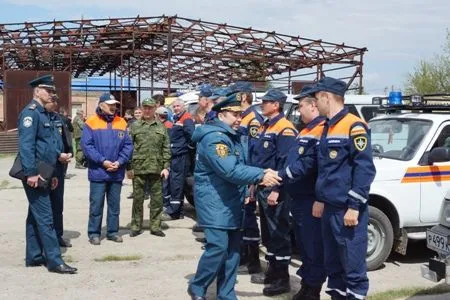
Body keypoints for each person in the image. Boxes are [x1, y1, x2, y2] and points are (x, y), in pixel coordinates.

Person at [187, 93, 282, 300]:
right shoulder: (215, 139)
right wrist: (261, 175)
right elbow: (229, 170)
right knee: (218, 248)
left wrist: (249, 188)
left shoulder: (233, 136)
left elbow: (241, 166)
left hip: (231, 201)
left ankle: (226, 294)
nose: (239, 118)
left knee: (232, 252)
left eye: (240, 114)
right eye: (234, 114)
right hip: (215, 201)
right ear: (222, 115)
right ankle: (197, 286)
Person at [310, 77, 376, 300]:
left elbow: (364, 169)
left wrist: (355, 206)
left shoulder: (354, 125)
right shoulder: (327, 127)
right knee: (334, 267)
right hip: (329, 208)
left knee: (353, 270)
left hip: (347, 211)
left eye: (317, 99)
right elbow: (327, 169)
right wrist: (320, 198)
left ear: (327, 97)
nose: (315, 104)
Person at [18, 74, 77, 274]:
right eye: (48, 90)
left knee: (34, 216)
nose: (52, 94)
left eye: (53, 90)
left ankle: (34, 256)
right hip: (36, 172)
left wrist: (52, 173)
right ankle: (54, 260)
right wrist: (31, 173)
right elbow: (26, 147)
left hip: (47, 171)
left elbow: (49, 146)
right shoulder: (31, 114)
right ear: (37, 91)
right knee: (45, 216)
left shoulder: (44, 114)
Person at [277, 85, 326, 300]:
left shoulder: (322, 129)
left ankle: (312, 290)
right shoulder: (305, 129)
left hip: (310, 199)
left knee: (313, 247)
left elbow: (309, 165)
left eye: (301, 106)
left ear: (313, 105)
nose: (299, 110)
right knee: (304, 246)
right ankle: (307, 285)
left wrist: (279, 175)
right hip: (298, 198)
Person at [249, 89, 297, 296]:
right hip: (262, 186)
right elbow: (260, 159)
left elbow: (285, 163)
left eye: (266, 102)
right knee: (268, 234)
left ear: (276, 105)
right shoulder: (266, 125)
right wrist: (253, 183)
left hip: (275, 189)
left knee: (279, 233)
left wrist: (277, 189)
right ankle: (272, 272)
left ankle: (282, 279)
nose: (262, 104)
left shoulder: (285, 128)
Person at [81, 93, 133, 245]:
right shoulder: (91, 122)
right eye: (110, 104)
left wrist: (120, 161)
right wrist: (102, 161)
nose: (113, 107)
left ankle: (112, 232)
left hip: (116, 172)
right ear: (101, 105)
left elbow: (128, 145)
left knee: (114, 205)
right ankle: (94, 233)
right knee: (96, 205)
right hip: (98, 172)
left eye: (115, 104)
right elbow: (87, 146)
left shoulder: (122, 122)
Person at [127, 98, 171, 237]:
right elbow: (128, 147)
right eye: (145, 107)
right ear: (142, 108)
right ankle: (136, 226)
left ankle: (155, 226)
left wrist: (166, 167)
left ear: (154, 109)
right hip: (138, 168)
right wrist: (128, 167)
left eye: (150, 108)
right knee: (138, 200)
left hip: (157, 168)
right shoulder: (134, 126)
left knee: (157, 200)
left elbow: (166, 148)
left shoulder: (161, 126)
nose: (147, 110)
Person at [233, 81, 265, 274]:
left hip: (249, 176)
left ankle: (253, 261)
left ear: (244, 96)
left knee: (249, 218)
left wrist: (251, 182)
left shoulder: (253, 119)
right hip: (242, 174)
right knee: (244, 217)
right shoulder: (244, 117)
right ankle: (244, 256)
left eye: (236, 95)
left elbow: (254, 152)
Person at [162, 98, 195, 220]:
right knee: (175, 182)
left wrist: (186, 149)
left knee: (177, 183)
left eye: (178, 106)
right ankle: (176, 209)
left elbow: (192, 136)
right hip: (176, 155)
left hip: (181, 156)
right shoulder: (177, 118)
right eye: (174, 106)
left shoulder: (186, 118)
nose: (176, 108)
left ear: (183, 106)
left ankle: (174, 212)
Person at [48, 98, 74, 248]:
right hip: (44, 167)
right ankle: (45, 237)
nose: (54, 103)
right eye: (51, 100)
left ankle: (58, 235)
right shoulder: (38, 117)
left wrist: (69, 153)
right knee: (44, 204)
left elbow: (66, 138)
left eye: (56, 101)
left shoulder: (59, 119)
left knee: (58, 203)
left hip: (59, 167)